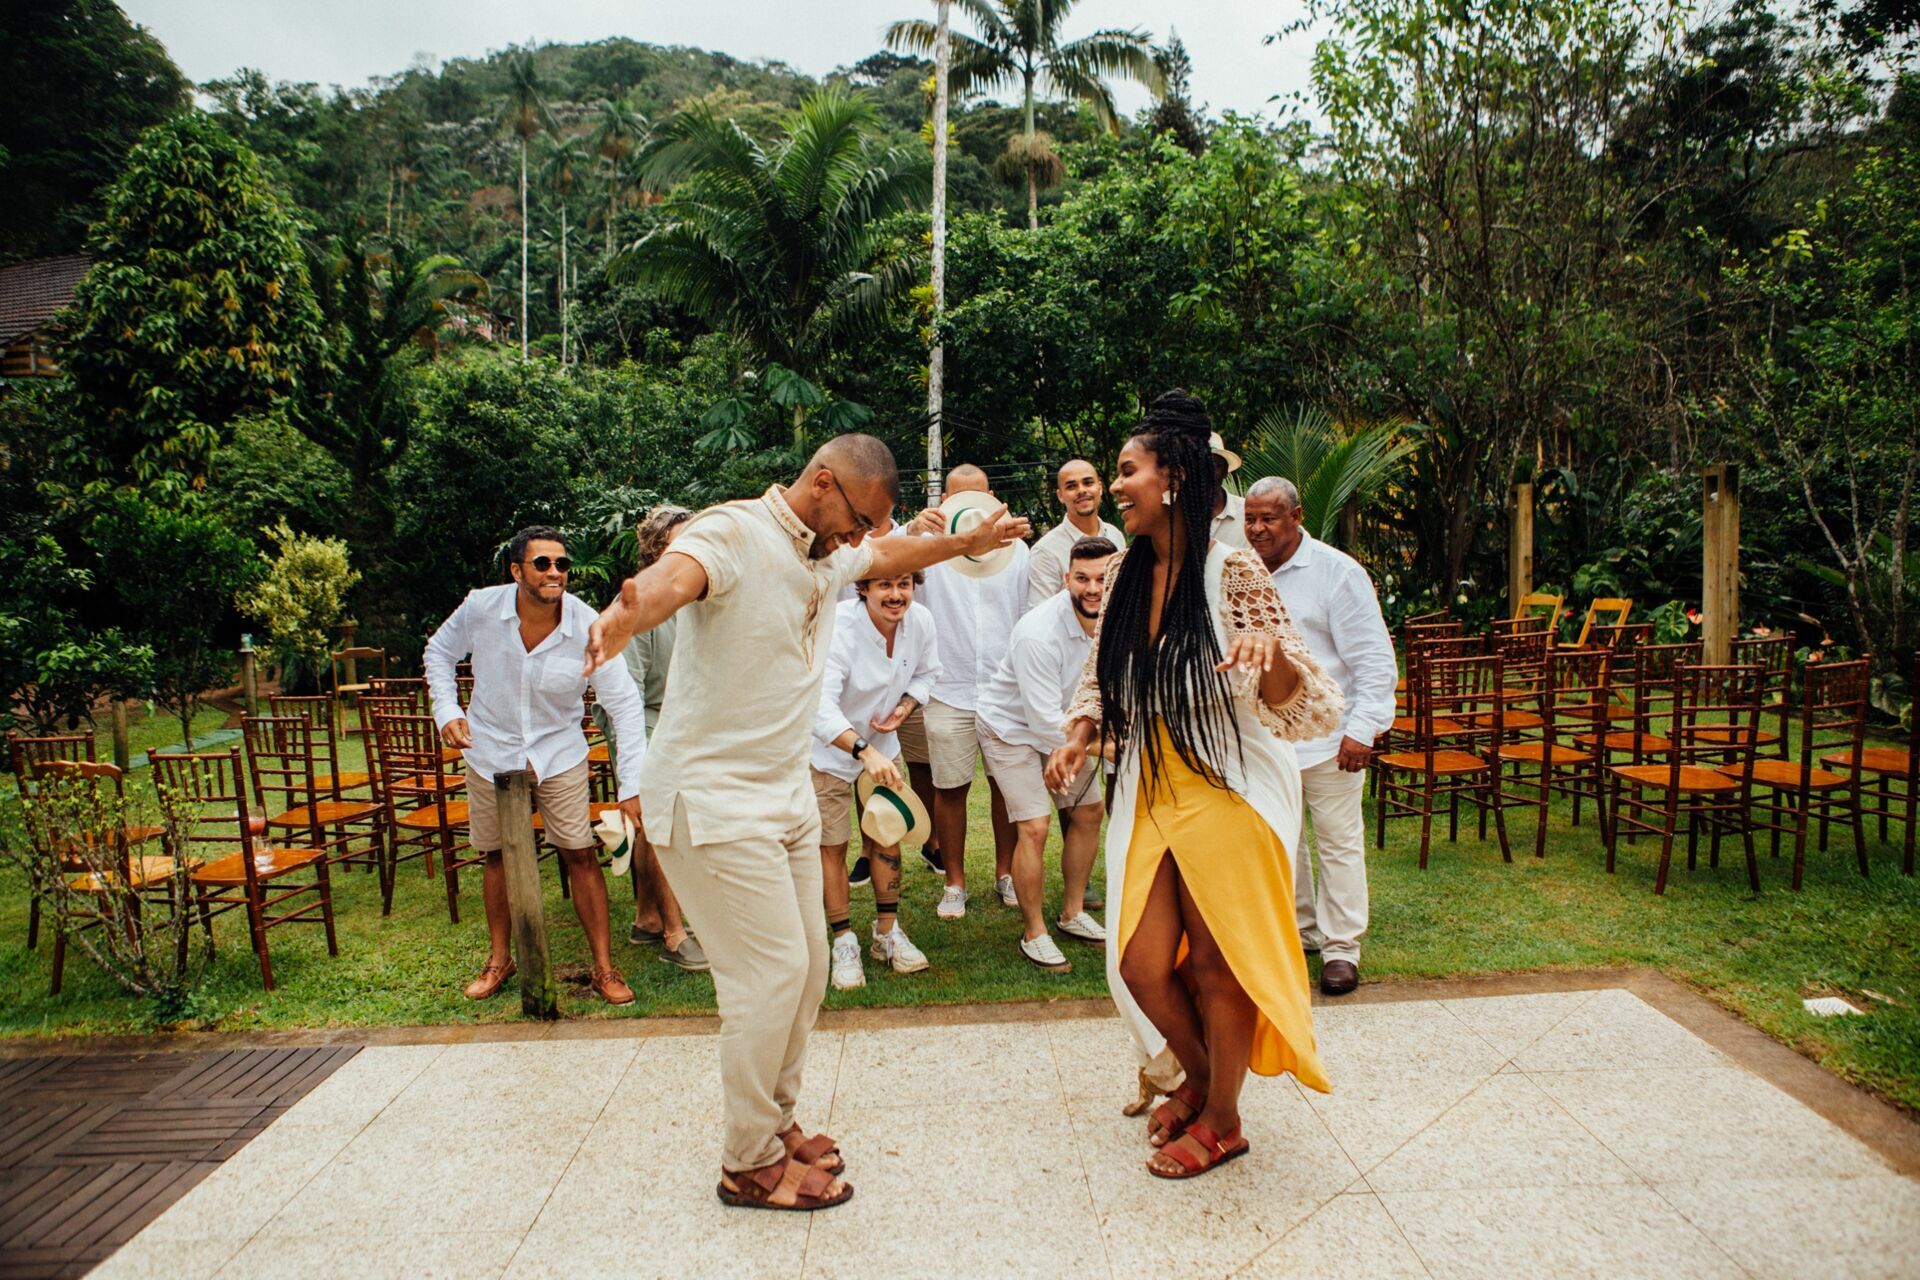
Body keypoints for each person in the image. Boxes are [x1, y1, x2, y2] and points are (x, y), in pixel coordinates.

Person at [583, 434, 1029, 1212]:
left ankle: (775, 1120)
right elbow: (674, 577)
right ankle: (746, 1161)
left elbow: (891, 557)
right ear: (823, 483)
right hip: (711, 799)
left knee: (811, 967)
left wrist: (969, 540)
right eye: (858, 520)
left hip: (782, 791)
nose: (861, 540)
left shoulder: (831, 550)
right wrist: (630, 612)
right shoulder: (733, 531)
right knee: (768, 977)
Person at [1046, 391, 1342, 1180]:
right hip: (1151, 781)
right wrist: (1080, 734)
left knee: (1216, 964)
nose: (1115, 486)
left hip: (1226, 783)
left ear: (1174, 476)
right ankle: (1206, 1083)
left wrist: (1265, 654)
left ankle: (1222, 1120)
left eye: (1127, 470)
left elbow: (1304, 698)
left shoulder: (1231, 566)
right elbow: (1102, 679)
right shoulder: (1126, 574)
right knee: (1141, 964)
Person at [425, 525, 651, 1005]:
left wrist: (631, 784)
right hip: (489, 748)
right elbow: (439, 653)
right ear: (516, 570)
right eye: (543, 563)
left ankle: (604, 968)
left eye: (562, 564)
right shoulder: (480, 607)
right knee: (496, 854)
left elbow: (625, 704)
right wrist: (447, 710)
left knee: (579, 852)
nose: (555, 572)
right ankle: (500, 959)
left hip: (558, 750)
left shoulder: (588, 625)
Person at [1243, 477, 1396, 996]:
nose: (1257, 529)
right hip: (1267, 743)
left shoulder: (1338, 572)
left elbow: (1374, 661)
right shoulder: (1241, 572)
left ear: (1296, 515)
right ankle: (1302, 930)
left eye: (1268, 518)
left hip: (1332, 739)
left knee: (1338, 843)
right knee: (1283, 844)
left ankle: (1341, 948)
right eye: (1250, 518)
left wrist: (1363, 731)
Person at [978, 536, 1117, 972]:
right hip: (1011, 729)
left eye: (1102, 578)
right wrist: (1110, 746)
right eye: (1082, 578)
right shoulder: (1038, 633)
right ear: (1066, 579)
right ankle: (1033, 931)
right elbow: (1042, 725)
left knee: (1089, 812)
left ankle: (1072, 914)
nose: (1092, 589)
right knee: (1035, 827)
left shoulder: (1120, 620)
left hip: (1068, 726)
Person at [908, 464, 1031, 920]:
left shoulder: (1017, 551)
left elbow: (1025, 618)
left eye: (977, 496)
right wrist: (919, 529)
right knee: (950, 787)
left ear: (993, 497)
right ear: (944, 503)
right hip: (948, 686)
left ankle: (1006, 873)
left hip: (1003, 690)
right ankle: (954, 881)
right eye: (957, 498)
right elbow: (887, 565)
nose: (969, 507)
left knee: (1007, 786)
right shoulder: (927, 550)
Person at [592, 505, 708, 972]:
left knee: (655, 823)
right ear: (657, 550)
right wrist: (644, 767)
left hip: (680, 721)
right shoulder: (641, 600)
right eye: (684, 540)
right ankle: (676, 934)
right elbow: (627, 697)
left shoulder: (697, 597)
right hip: (635, 718)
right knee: (665, 821)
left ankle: (645, 919)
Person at [812, 570, 940, 989]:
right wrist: (862, 751)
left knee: (887, 834)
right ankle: (843, 941)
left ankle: (886, 933)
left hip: (882, 749)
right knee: (833, 846)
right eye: (884, 585)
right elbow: (818, 707)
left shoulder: (920, 620)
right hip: (827, 752)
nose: (896, 595)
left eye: (904, 584)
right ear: (862, 588)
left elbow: (926, 673)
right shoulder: (837, 628)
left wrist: (902, 711)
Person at [1027, 459, 1126, 608]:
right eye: (1071, 486)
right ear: (1060, 495)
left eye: (1088, 483)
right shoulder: (1045, 551)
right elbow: (1040, 613)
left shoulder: (1115, 535)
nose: (1081, 490)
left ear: (1099, 488)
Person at [1207, 431, 1249, 550]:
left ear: (1225, 471)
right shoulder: (1176, 513)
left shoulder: (1247, 513)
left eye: (1215, 465)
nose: (1208, 472)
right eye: (1201, 465)